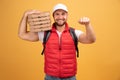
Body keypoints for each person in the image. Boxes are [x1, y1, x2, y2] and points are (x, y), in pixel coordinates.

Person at [18, 3, 96, 80]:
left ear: (67, 15)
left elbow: (91, 39)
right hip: (50, 77)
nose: (60, 17)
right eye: (57, 14)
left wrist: (88, 24)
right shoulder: (45, 33)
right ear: (53, 16)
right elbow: (22, 34)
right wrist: (25, 16)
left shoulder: (74, 33)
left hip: (70, 77)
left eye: (63, 14)